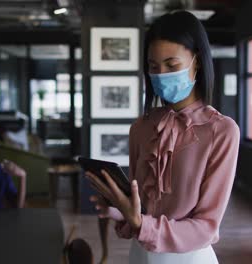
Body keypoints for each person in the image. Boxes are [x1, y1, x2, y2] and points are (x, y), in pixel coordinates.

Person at [86, 11, 240, 263]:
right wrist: (120, 209)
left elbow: (206, 227)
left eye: (172, 65)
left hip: (191, 258)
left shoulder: (222, 131)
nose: (161, 74)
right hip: (140, 255)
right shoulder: (141, 128)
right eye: (153, 66)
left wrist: (140, 222)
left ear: (197, 62)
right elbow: (143, 211)